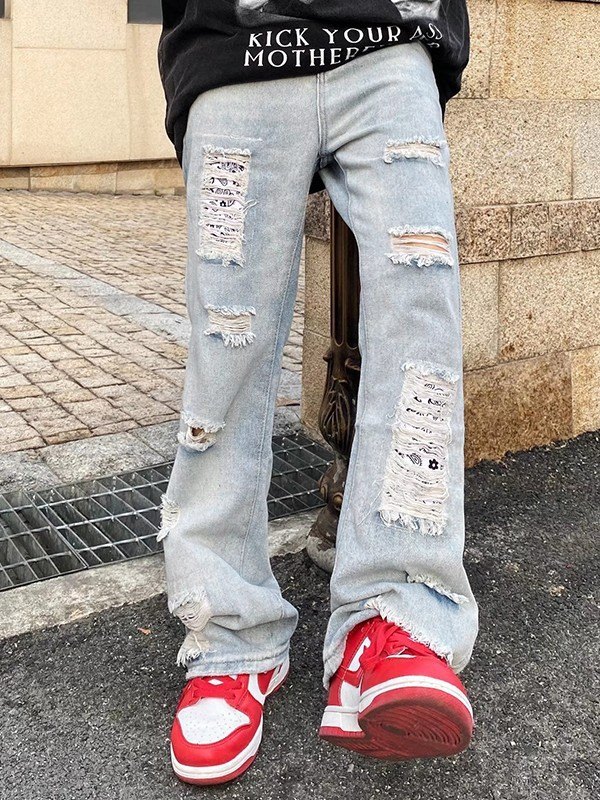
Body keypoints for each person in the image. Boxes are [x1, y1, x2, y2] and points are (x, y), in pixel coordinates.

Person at [157, 0, 478, 785]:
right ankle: (231, 636)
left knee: (422, 323)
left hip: (389, 37)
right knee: (227, 347)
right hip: (235, 47)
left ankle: (396, 617)